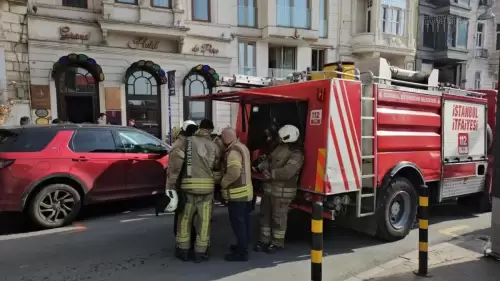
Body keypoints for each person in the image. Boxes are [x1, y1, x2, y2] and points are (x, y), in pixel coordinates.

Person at [166, 119, 220, 263]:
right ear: (210, 130)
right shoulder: (214, 145)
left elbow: (176, 167)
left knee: (185, 220)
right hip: (208, 190)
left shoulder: (187, 142)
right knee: (204, 221)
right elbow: (217, 166)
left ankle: (183, 250)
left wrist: (170, 186)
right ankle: (201, 253)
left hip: (188, 189)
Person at [254, 124, 304, 254]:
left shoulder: (297, 154)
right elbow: (269, 161)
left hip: (283, 192)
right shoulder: (279, 148)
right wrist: (260, 167)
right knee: (264, 216)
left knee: (278, 218)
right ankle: (264, 241)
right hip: (269, 190)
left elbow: (288, 171)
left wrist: (271, 173)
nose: (279, 140)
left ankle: (277, 243)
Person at [219, 127, 253, 261]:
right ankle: (242, 245)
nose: (220, 140)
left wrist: (223, 183)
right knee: (244, 222)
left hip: (237, 195)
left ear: (226, 138)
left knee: (238, 223)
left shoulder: (233, 152)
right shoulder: (242, 147)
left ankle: (241, 253)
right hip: (246, 193)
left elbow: (234, 172)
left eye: (222, 137)